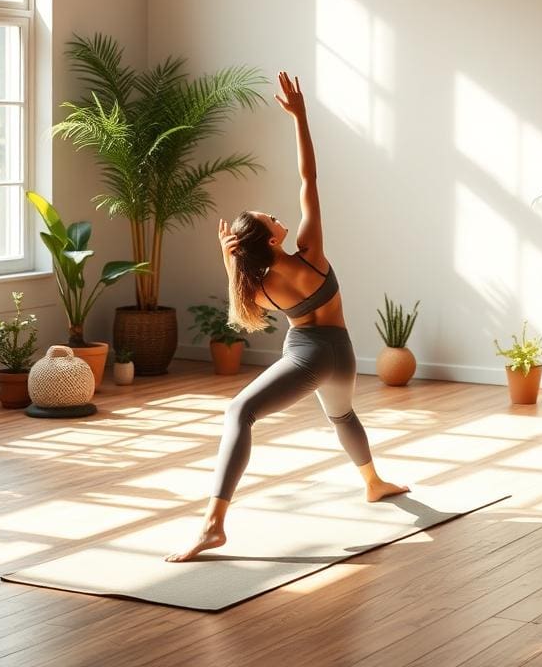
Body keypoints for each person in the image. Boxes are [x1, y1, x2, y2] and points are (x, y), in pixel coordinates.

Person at [164, 71, 408, 563]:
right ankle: (374, 482)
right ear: (273, 238)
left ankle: (213, 525)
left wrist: (227, 257)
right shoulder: (310, 254)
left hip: (309, 354)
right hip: (342, 353)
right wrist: (301, 119)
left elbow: (239, 302)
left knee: (240, 412)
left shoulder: (253, 280)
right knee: (341, 413)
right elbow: (308, 178)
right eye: (270, 217)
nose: (277, 215)